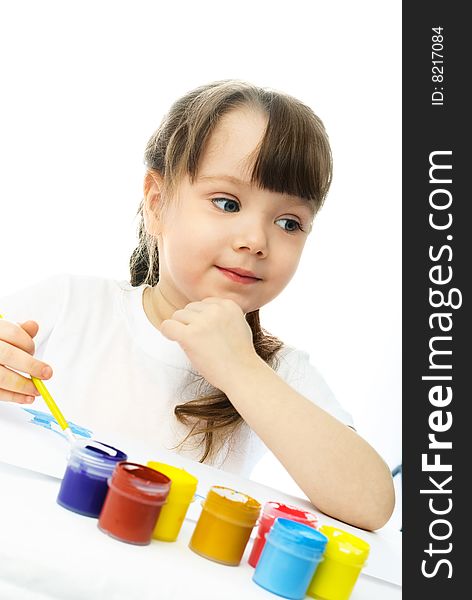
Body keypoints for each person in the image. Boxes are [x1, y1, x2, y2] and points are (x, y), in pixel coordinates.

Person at [0, 79, 394, 530]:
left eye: (289, 222)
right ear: (157, 202)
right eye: (227, 203)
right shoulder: (70, 305)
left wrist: (240, 368)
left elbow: (372, 503)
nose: (255, 240)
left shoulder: (276, 371)